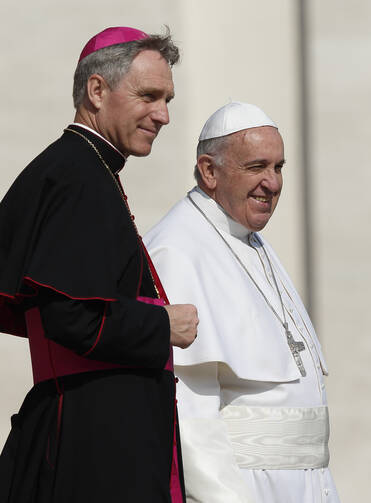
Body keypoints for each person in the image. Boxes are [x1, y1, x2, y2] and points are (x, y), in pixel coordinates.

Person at [0, 26, 198, 503]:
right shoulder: (79, 176)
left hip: (90, 425)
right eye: (149, 96)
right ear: (96, 90)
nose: (164, 114)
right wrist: (161, 324)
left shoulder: (80, 167)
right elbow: (69, 316)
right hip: (93, 442)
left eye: (167, 98)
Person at [144, 101, 341, 503]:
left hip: (304, 484)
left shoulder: (249, 238)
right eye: (256, 167)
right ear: (209, 171)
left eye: (279, 167)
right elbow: (188, 413)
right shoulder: (177, 250)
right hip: (248, 488)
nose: (272, 183)